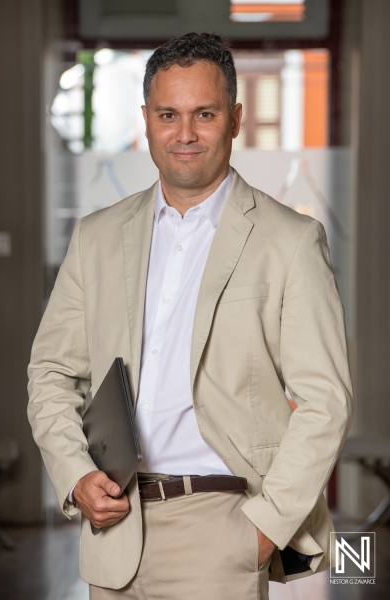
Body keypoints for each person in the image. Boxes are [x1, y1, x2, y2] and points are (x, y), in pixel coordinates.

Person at [27, 33, 353, 600]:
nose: (184, 134)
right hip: (114, 531)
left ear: (236, 119)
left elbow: (325, 400)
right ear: (147, 120)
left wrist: (263, 528)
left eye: (204, 114)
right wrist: (75, 474)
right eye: (168, 114)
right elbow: (51, 373)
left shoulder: (292, 241)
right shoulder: (96, 237)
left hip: (221, 527)